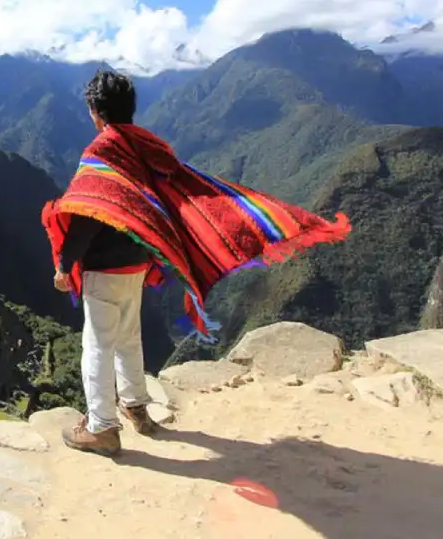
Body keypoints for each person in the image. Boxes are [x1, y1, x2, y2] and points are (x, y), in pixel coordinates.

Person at [43, 70, 351, 457]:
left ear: (94, 112)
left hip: (103, 268)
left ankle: (101, 427)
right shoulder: (147, 147)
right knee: (127, 338)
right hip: (137, 263)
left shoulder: (102, 153)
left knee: (98, 345)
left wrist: (63, 265)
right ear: (129, 109)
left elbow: (88, 212)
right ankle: (136, 407)